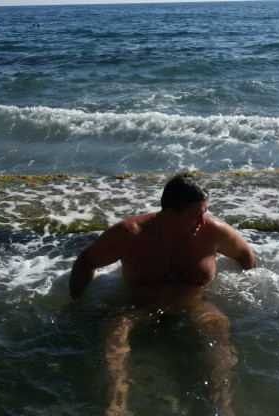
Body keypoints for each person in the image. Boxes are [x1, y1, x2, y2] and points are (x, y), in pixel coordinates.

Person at [69, 172, 255, 415]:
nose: (202, 222)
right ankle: (116, 405)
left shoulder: (214, 231)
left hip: (193, 303)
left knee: (219, 326)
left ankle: (223, 406)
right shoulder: (130, 233)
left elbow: (244, 256)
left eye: (204, 213)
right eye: (195, 215)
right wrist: (76, 302)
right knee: (115, 329)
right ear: (171, 213)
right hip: (140, 304)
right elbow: (86, 261)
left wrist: (245, 289)